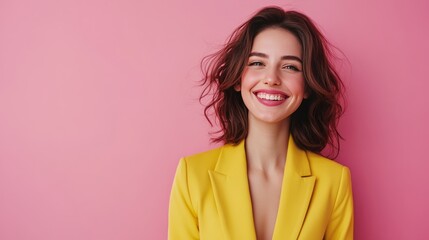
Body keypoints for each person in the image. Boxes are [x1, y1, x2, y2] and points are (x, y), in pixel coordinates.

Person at [168, 6, 353, 240]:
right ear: (238, 78)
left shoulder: (334, 183)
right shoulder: (192, 176)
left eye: (290, 67)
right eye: (257, 63)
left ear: (307, 86)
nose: (271, 78)